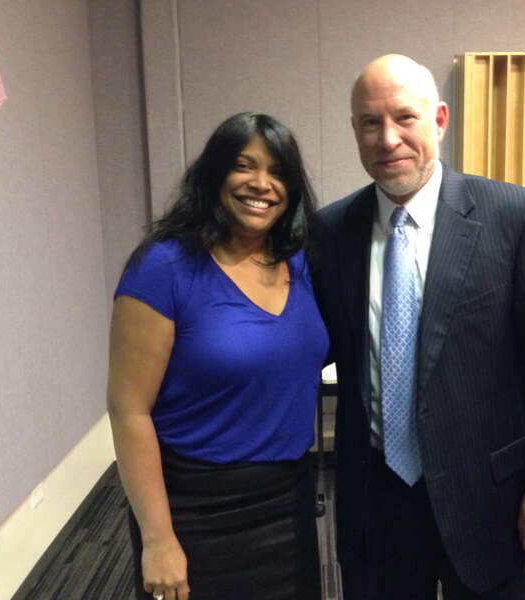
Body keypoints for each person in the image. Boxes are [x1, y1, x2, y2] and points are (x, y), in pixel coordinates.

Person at [310, 55, 525, 599]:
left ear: (439, 119)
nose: (388, 138)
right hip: (376, 497)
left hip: (490, 497)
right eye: (371, 123)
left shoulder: (516, 217)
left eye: (404, 118)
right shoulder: (331, 230)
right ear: (355, 131)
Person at [107, 112, 328, 600]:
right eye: (243, 166)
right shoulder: (163, 267)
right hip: (194, 506)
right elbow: (129, 411)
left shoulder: (301, 262)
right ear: (214, 176)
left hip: (287, 498)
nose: (261, 184)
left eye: (277, 172)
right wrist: (158, 539)